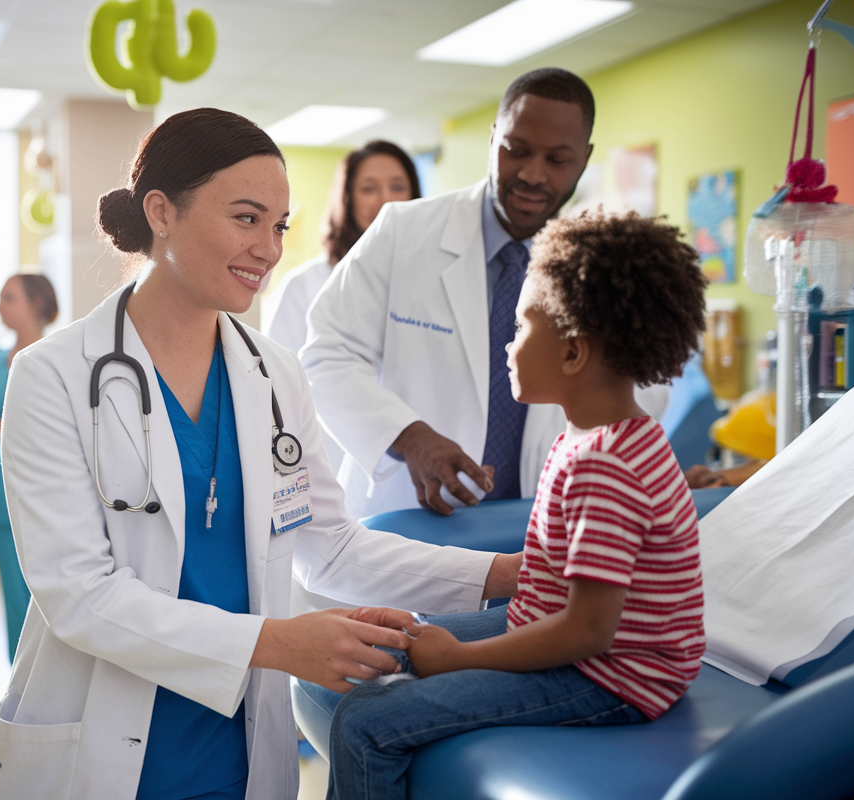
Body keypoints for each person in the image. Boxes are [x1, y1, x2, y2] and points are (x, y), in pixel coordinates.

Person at [0, 108, 521, 800]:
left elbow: (334, 549)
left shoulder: (274, 374)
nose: (268, 248)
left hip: (239, 756)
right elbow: (79, 596)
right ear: (162, 211)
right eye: (245, 218)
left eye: (280, 224)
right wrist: (279, 644)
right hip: (102, 752)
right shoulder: (53, 376)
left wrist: (506, 573)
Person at [321, 211, 709, 800]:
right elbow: (559, 580)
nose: (507, 344)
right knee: (382, 654)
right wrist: (424, 636)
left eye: (522, 328)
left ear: (574, 353)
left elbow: (589, 630)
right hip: (572, 634)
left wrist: (456, 659)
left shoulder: (606, 463)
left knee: (366, 723)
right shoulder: (598, 437)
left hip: (612, 676)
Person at [302, 68, 669, 520]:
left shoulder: (602, 265)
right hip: (408, 523)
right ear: (494, 137)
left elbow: (641, 388)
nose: (533, 175)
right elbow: (324, 358)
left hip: (542, 519)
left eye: (557, 160)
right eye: (516, 151)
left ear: (584, 157)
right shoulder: (403, 233)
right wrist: (409, 436)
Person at [265, 141, 421, 476]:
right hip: (326, 458)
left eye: (397, 186)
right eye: (369, 188)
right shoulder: (305, 284)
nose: (386, 199)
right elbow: (277, 387)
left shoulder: (430, 280)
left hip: (416, 462)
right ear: (347, 199)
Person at [0, 272, 58, 662]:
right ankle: (17, 680)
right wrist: (17, 422)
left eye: (9, 298)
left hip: (45, 491)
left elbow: (55, 425)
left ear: (36, 304)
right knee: (11, 594)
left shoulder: (55, 356)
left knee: (47, 594)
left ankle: (51, 678)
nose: (0, 306)